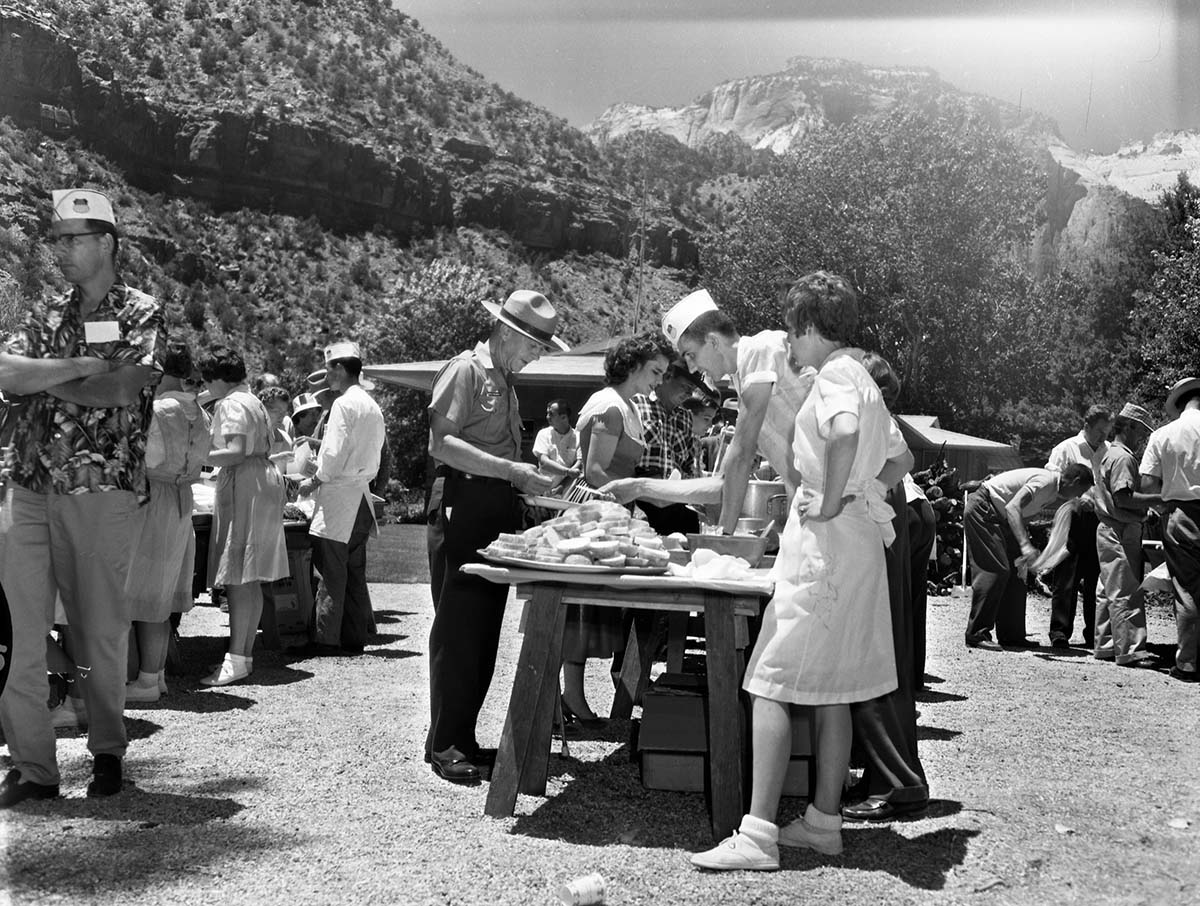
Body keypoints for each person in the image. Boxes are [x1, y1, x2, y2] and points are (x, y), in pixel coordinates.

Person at [691, 271, 913, 870]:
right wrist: (864, 495)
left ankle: (758, 834)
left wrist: (835, 497)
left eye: (792, 330)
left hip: (827, 547)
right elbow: (903, 456)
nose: (787, 343)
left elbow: (842, 434)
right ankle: (822, 822)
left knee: (770, 679)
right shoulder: (860, 374)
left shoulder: (837, 376)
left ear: (810, 327)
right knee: (834, 690)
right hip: (858, 543)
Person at [0, 189, 164, 806]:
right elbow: (5, 372)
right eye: (57, 240)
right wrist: (81, 366)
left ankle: (106, 752)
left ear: (106, 244)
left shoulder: (139, 309)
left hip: (100, 489)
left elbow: (123, 388)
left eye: (72, 240)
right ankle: (33, 769)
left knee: (98, 629)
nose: (60, 251)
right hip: (29, 483)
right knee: (17, 629)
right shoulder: (46, 309)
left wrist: (51, 374)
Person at [425, 290, 563, 783]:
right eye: (534, 347)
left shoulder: (503, 379)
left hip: (492, 503)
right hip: (463, 500)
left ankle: (459, 735)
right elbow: (442, 442)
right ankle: (445, 743)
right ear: (507, 333)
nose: (536, 357)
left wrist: (531, 470)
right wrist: (510, 470)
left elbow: (498, 449)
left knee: (482, 629)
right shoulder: (465, 370)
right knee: (459, 626)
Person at [598, 289, 814, 523]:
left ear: (713, 341)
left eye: (690, 354)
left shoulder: (760, 350)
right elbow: (722, 484)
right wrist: (639, 487)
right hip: (809, 510)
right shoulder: (746, 386)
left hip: (835, 505)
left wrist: (725, 535)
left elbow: (740, 459)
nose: (691, 368)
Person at [567, 333, 673, 725]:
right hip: (593, 511)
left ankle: (573, 695)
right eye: (654, 371)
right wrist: (630, 511)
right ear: (631, 367)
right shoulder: (609, 405)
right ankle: (571, 696)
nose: (659, 381)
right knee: (580, 608)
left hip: (610, 510)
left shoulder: (626, 406)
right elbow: (594, 471)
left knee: (593, 607)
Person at [844, 352, 930, 822]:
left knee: (877, 658)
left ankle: (896, 784)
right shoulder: (880, 423)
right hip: (885, 528)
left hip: (878, 534)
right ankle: (892, 777)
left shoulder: (870, 425)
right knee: (884, 656)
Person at [198, 345, 289, 686]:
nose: (208, 386)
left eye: (209, 379)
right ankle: (242, 655)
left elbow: (235, 452)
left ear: (219, 379)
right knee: (249, 578)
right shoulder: (251, 399)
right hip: (262, 479)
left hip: (246, 484)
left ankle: (236, 658)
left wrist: (197, 455)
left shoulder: (232, 403)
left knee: (238, 574)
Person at [125, 344, 211, 703]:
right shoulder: (200, 413)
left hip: (152, 496)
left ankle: (145, 679)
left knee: (141, 592)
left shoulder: (158, 410)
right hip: (182, 499)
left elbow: (148, 457)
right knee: (160, 593)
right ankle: (155, 673)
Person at [298, 341, 385, 655]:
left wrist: (313, 480)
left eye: (330, 370)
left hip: (340, 498)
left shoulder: (343, 405)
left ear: (338, 368)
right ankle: (354, 635)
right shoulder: (371, 405)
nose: (328, 377)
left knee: (331, 572)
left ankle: (326, 638)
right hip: (361, 495)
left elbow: (333, 455)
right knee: (354, 573)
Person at [963, 463, 1095, 649]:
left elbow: (1021, 515)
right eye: (1081, 490)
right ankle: (976, 633)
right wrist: (1025, 545)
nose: (1080, 495)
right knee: (996, 569)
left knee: (1019, 573)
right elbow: (1013, 508)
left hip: (999, 517)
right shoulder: (1046, 481)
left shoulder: (1051, 491)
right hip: (984, 509)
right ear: (1074, 481)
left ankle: (1011, 635)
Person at [1139, 377, 1200, 681]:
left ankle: (1188, 663)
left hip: (1182, 514)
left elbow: (1149, 485)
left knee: (1186, 589)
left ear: (1178, 404)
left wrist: (1168, 502)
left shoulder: (1164, 434)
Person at [1092, 403, 1160, 666]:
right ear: (1129, 427)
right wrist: (1153, 502)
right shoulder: (1123, 457)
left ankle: (1107, 644)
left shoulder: (1108, 454)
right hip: (1121, 528)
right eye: (1141, 430)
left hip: (1108, 527)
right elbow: (1123, 497)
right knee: (1127, 587)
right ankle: (1131, 649)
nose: (1142, 437)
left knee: (1107, 587)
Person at [1045, 406, 1112, 648]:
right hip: (1072, 517)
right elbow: (1052, 480)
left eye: (1106, 432)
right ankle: (1060, 632)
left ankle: (1094, 632)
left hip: (1098, 520)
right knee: (1066, 577)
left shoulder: (1108, 451)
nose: (1102, 437)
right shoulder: (1066, 448)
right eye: (1099, 431)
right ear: (1086, 426)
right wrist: (1072, 498)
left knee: (1097, 577)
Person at [631, 361, 706, 535]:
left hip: (675, 502)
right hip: (642, 501)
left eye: (692, 389)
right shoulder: (636, 404)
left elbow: (688, 463)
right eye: (686, 386)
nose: (689, 394)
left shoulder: (685, 417)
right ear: (667, 377)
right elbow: (621, 461)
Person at [532, 398, 580, 487]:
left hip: (567, 491)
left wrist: (562, 486)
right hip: (542, 488)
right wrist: (567, 472)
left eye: (551, 414)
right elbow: (544, 462)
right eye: (547, 414)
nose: (547, 417)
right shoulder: (543, 434)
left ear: (564, 417)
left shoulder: (578, 437)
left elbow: (579, 464)